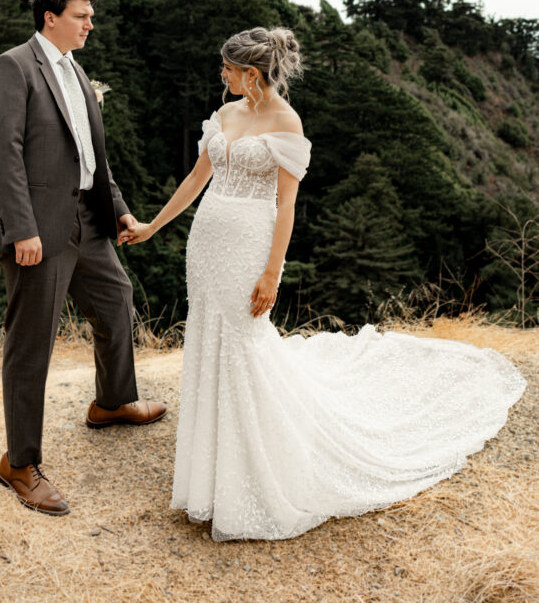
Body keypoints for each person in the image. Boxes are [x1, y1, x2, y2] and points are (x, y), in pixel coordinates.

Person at [121, 26, 526, 541]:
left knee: (245, 342)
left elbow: (285, 204)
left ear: (250, 73)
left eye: (226, 68)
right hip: (206, 243)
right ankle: (211, 472)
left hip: (250, 241)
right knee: (209, 338)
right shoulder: (223, 115)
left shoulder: (287, 121)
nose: (219, 75)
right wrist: (153, 226)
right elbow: (196, 179)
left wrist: (272, 272)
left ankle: (258, 467)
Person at [0, 0, 166, 517]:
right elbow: (3, 154)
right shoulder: (12, 66)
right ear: (50, 17)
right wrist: (23, 229)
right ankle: (19, 462)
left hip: (88, 216)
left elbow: (90, 155)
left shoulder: (77, 70)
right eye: (82, 16)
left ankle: (110, 402)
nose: (90, 24)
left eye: (90, 16)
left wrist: (120, 207)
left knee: (116, 300)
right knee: (31, 340)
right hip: (38, 226)